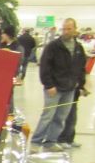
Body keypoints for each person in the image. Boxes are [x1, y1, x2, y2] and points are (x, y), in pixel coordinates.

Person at [30, 18, 87, 151]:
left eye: (69, 29)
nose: (66, 31)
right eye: (64, 29)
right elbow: (45, 66)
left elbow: (81, 67)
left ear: (75, 29)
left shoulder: (79, 48)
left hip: (70, 88)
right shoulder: (53, 46)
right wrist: (49, 85)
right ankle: (36, 141)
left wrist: (80, 84)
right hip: (54, 88)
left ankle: (51, 141)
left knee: (61, 117)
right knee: (47, 116)